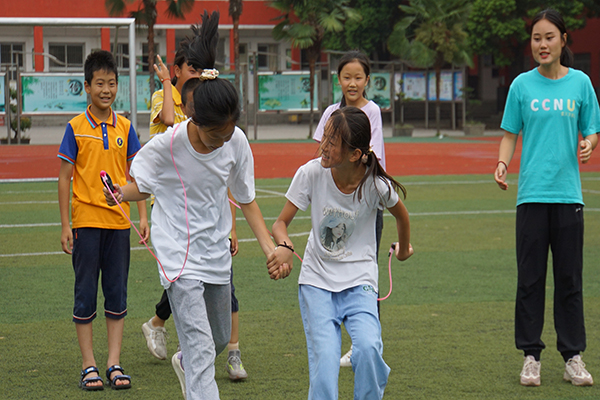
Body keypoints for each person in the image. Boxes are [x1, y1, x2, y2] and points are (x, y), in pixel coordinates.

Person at [104, 11, 291, 400]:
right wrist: (120, 193)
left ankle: (186, 361)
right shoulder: (168, 145)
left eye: (227, 133)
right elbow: (141, 185)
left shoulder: (236, 141)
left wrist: (270, 249)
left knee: (219, 338)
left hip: (215, 253)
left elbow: (247, 200)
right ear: (193, 117)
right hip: (178, 255)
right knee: (202, 345)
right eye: (214, 135)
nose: (222, 141)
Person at [272, 106, 413, 399]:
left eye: (332, 142)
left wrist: (403, 249)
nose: (323, 146)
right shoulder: (311, 173)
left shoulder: (376, 185)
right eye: (324, 137)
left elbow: (402, 215)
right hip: (316, 282)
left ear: (354, 154)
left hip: (359, 280)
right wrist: (285, 246)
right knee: (325, 362)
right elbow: (280, 223)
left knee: (369, 348)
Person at [494, 8, 600, 387]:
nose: (542, 44)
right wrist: (502, 163)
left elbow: (592, 130)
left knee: (569, 279)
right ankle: (531, 357)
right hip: (532, 197)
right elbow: (510, 133)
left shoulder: (581, 83)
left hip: (568, 196)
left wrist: (589, 143)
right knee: (530, 280)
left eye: (549, 37)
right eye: (537, 38)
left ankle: (573, 357)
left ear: (563, 40)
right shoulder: (521, 86)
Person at [57, 49, 149, 391]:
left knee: (116, 294)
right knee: (85, 294)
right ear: (87, 86)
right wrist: (65, 225)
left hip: (119, 224)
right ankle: (88, 365)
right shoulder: (75, 128)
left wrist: (143, 215)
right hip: (85, 222)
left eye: (111, 83)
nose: (106, 90)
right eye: (99, 83)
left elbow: (138, 175)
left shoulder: (125, 127)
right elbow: (64, 178)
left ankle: (113, 362)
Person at [313, 50, 386, 368]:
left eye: (358, 77)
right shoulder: (332, 112)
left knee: (366, 274)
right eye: (346, 77)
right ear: (338, 79)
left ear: (367, 80)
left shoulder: (372, 112)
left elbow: (372, 155)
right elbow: (321, 153)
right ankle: (342, 340)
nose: (352, 83)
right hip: (334, 207)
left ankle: (367, 343)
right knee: (333, 272)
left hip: (365, 206)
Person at [142, 35, 201, 362]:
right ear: (177, 70)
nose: (196, 74)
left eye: (200, 70)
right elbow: (167, 119)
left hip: (192, 198)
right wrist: (166, 83)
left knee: (192, 269)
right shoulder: (162, 95)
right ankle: (170, 329)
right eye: (191, 69)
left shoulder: (199, 101)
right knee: (183, 270)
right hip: (165, 198)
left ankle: (158, 322)